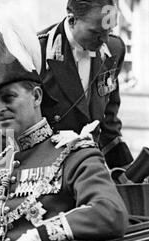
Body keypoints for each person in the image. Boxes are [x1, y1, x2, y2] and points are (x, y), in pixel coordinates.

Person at [0, 4, 128, 241]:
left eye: (8, 98)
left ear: (37, 96)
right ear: (72, 19)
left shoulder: (76, 157)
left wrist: (38, 236)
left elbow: (110, 211)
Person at [36, 0, 133, 169]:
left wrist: (126, 171)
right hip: (45, 171)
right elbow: (6, 122)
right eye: (96, 32)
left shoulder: (114, 49)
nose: (104, 40)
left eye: (109, 31)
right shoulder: (36, 50)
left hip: (90, 168)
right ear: (72, 20)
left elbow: (108, 123)